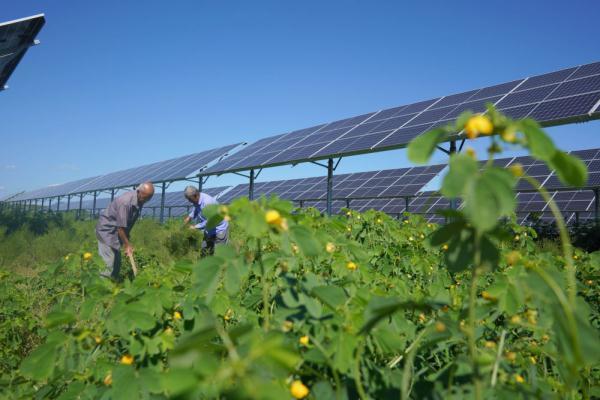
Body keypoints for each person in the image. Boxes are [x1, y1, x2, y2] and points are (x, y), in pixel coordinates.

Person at [95, 182, 155, 281]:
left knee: (117, 262)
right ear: (139, 191)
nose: (145, 200)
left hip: (116, 234)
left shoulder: (140, 200)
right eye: (145, 197)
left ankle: (113, 286)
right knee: (109, 263)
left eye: (149, 198)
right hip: (106, 232)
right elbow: (120, 228)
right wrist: (127, 245)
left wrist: (126, 239)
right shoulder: (125, 202)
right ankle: (101, 290)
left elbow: (126, 224)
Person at [183, 185, 229, 256]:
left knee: (219, 255)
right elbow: (196, 209)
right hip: (209, 230)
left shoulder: (207, 202)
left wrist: (195, 227)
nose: (189, 201)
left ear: (195, 195)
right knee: (205, 252)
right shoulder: (197, 200)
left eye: (190, 199)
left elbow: (210, 221)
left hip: (219, 229)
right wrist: (189, 217)